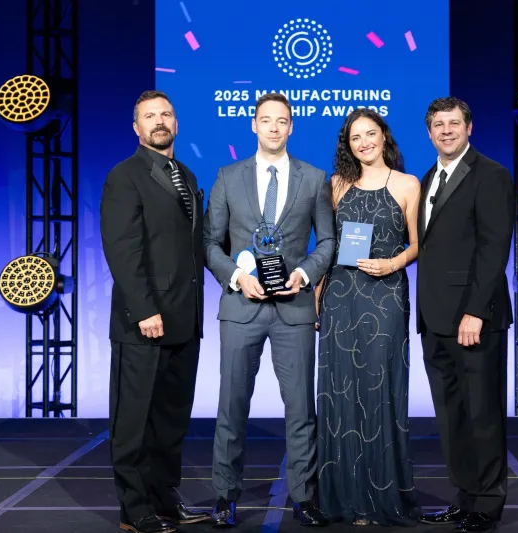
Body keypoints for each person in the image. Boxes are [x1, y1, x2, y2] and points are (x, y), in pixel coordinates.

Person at [203, 93, 336, 528]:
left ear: (292, 126)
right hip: (241, 306)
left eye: (282, 121)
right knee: (231, 405)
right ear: (253, 125)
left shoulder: (314, 178)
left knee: (301, 408)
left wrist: (306, 274)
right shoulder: (228, 176)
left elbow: (329, 242)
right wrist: (238, 277)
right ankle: (225, 495)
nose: (274, 128)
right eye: (266, 120)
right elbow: (210, 243)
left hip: (294, 307)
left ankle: (304, 496)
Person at [99, 90, 211, 533]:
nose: (159, 121)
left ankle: (165, 499)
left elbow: (190, 247)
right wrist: (145, 308)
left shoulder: (184, 173)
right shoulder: (124, 177)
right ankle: (134, 508)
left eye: (166, 114)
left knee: (170, 420)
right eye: (149, 115)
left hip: (185, 318)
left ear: (176, 124)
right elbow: (122, 251)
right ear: (136, 127)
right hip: (143, 320)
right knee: (133, 420)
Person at [312, 109, 422, 526]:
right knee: (340, 392)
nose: (364, 143)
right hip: (341, 296)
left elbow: (417, 245)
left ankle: (382, 495)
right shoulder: (336, 186)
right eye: (355, 137)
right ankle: (346, 497)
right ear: (348, 143)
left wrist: (394, 263)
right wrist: (316, 300)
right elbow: (327, 247)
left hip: (386, 296)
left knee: (381, 391)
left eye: (370, 134)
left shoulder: (407, 184)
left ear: (383, 136)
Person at [415, 96, 514, 532]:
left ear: (469, 127)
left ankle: (488, 503)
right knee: (451, 415)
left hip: (475, 320)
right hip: (435, 319)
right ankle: (465, 495)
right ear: (430, 132)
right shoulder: (428, 177)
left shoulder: (491, 175)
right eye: (438, 125)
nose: (447, 131)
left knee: (482, 415)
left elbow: (494, 250)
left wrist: (475, 311)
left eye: (454, 123)